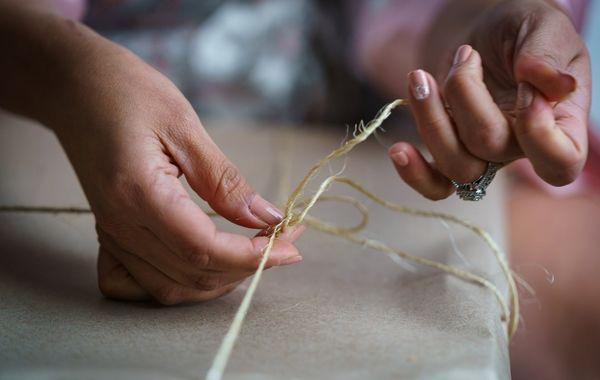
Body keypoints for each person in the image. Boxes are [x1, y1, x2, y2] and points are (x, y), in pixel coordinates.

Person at [0, 0, 591, 305]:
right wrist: (65, 75)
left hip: (359, 105)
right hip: (84, 105)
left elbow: (426, 14)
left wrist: (476, 33)